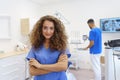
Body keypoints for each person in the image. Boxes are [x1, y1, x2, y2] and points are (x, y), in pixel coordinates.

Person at [26, 15, 71, 80]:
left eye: (51, 28)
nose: (48, 31)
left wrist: (40, 66)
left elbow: (63, 66)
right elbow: (32, 71)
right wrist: (56, 67)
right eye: (45, 28)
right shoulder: (35, 47)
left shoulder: (62, 45)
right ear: (40, 29)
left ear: (55, 30)